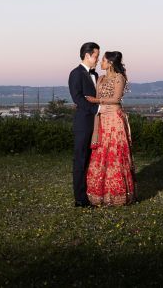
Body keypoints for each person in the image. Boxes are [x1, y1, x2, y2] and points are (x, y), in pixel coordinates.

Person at [85, 50, 136, 206]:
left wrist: (96, 100)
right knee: (101, 152)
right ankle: (99, 194)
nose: (101, 63)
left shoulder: (119, 78)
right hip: (102, 118)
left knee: (115, 152)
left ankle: (118, 195)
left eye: (104, 60)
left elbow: (116, 98)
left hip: (114, 119)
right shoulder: (100, 78)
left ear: (111, 63)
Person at [68, 42, 100, 207]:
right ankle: (80, 199)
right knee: (80, 160)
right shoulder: (75, 73)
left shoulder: (95, 75)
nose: (97, 59)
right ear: (87, 55)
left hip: (96, 122)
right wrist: (97, 108)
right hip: (83, 122)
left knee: (93, 160)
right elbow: (77, 98)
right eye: (96, 56)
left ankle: (93, 192)